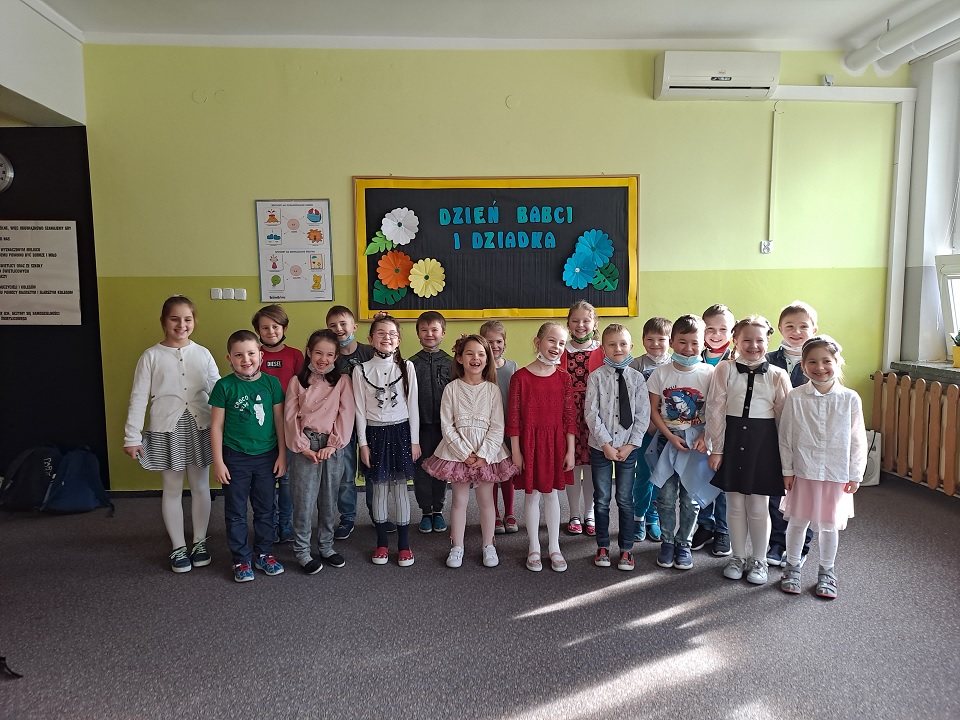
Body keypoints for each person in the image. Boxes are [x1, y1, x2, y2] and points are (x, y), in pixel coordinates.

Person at [124, 295, 220, 573]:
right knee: (172, 488)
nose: (181, 324)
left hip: (200, 427)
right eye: (174, 319)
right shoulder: (151, 356)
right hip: (167, 429)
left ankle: (199, 542)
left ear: (194, 321)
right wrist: (132, 436)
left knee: (201, 486)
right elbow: (138, 397)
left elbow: (218, 392)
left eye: (187, 319)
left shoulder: (203, 354)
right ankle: (178, 546)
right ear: (164, 321)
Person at [778, 335, 866, 599]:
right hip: (804, 471)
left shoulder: (850, 399)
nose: (820, 367)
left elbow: (857, 439)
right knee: (798, 522)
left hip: (835, 473)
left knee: (829, 525)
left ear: (837, 362)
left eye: (826, 361)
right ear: (803, 365)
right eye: (812, 362)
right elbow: (786, 436)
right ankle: (792, 567)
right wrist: (787, 470)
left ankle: (827, 572)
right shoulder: (796, 397)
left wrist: (855, 474)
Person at [705, 316, 790, 585]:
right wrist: (717, 449)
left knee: (758, 505)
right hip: (732, 441)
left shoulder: (778, 375)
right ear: (735, 341)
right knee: (734, 504)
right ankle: (738, 557)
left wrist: (785, 460)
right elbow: (715, 409)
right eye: (747, 340)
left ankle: (759, 559)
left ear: (768, 341)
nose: (753, 345)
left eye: (759, 340)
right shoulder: (725, 369)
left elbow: (784, 420)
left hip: (763, 445)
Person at [423, 335, 518, 568]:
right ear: (459, 358)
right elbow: (447, 425)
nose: (476, 358)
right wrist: (464, 453)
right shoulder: (452, 389)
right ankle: (457, 546)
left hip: (488, 454)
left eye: (481, 354)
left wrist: (484, 455)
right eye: (470, 353)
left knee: (486, 501)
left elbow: (497, 426)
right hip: (458, 453)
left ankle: (488, 545)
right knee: (459, 500)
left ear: (487, 359)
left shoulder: (492, 390)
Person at [210, 330, 287, 583]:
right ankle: (241, 559)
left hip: (267, 456)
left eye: (251, 353)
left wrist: (282, 455)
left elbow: (279, 421)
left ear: (261, 355)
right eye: (239, 355)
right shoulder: (224, 386)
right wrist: (219, 461)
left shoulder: (271, 384)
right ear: (229, 358)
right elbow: (216, 427)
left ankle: (264, 554)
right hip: (235, 458)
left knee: (266, 508)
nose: (246, 360)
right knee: (236, 511)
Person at [646, 314, 716, 571]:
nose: (688, 348)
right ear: (672, 342)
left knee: (690, 499)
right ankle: (667, 542)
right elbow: (653, 410)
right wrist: (669, 435)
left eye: (695, 343)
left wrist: (704, 436)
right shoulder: (661, 373)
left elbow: (715, 410)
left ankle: (683, 543)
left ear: (703, 343)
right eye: (682, 342)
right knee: (665, 497)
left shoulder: (710, 373)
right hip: (667, 440)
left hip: (697, 444)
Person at [284, 329, 356, 574]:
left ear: (336, 357)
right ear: (309, 352)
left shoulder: (342, 381)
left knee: (328, 499)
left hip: (332, 447)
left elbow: (346, 414)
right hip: (305, 445)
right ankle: (302, 551)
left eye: (329, 355)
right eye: (318, 353)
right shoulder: (297, 382)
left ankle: (326, 546)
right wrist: (303, 447)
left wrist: (333, 445)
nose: (323, 359)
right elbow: (290, 418)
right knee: (303, 500)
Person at [506, 322, 576, 573]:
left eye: (561, 343)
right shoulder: (520, 377)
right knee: (532, 494)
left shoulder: (564, 378)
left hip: (556, 444)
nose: (556, 347)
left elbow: (569, 417)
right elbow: (514, 418)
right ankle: (534, 547)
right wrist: (516, 451)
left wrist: (570, 450)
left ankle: (554, 547)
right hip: (530, 444)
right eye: (551, 340)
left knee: (552, 494)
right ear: (538, 342)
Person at [353, 314, 420, 567]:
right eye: (380, 333)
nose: (386, 337)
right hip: (375, 434)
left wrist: (414, 441)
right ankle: (381, 542)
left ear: (399, 340)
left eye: (392, 333)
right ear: (370, 339)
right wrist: (363, 444)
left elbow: (413, 406)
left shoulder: (407, 367)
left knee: (401, 489)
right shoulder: (360, 370)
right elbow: (359, 410)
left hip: (401, 433)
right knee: (379, 490)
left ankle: (404, 545)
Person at [585, 324, 651, 571]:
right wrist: (606, 444)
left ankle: (626, 549)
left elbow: (643, 415)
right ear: (603, 348)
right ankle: (602, 546)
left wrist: (630, 445)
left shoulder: (637, 379)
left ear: (631, 346)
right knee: (602, 498)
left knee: (625, 498)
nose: (618, 348)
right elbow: (591, 414)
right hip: (600, 447)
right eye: (612, 344)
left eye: (623, 344)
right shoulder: (596, 377)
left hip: (628, 447)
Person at [764, 300, 819, 566]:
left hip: (807, 439)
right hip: (773, 437)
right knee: (777, 491)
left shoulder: (819, 360)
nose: (796, 332)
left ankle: (802, 544)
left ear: (814, 329)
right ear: (780, 329)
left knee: (804, 492)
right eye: (790, 326)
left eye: (803, 326)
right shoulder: (767, 359)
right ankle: (777, 542)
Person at [325, 305, 379, 539]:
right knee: (345, 474)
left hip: (371, 420)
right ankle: (347, 518)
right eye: (332, 325)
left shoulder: (369, 351)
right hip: (342, 422)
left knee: (373, 469)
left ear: (354, 326)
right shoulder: (329, 356)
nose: (338, 329)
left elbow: (389, 363)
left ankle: (378, 515)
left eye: (343, 324)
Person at [252, 304, 304, 544]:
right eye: (265, 327)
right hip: (261, 426)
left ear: (284, 328)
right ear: (258, 331)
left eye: (275, 326)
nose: (270, 331)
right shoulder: (254, 355)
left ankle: (285, 522)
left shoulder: (295, 355)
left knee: (286, 479)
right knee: (264, 478)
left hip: (289, 424)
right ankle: (269, 523)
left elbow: (304, 388)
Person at [692, 303, 736, 557]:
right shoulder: (693, 355)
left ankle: (723, 529)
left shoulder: (736, 360)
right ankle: (704, 525)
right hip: (697, 431)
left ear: (732, 331)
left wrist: (710, 433)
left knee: (723, 480)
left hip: (727, 431)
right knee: (702, 478)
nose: (716, 334)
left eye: (723, 329)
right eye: (710, 329)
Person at [561, 300, 604, 536]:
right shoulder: (562, 350)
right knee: (572, 464)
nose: (580, 325)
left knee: (591, 465)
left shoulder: (602, 351)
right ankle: (574, 513)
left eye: (586, 320)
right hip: (568, 414)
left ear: (594, 323)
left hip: (594, 413)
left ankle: (590, 513)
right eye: (575, 321)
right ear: (568, 323)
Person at [629, 316, 672, 543]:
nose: (655, 344)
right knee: (644, 474)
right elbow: (630, 399)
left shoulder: (674, 364)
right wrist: (646, 424)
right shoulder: (636, 365)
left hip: (667, 431)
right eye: (650, 339)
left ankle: (652, 517)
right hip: (644, 430)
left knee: (661, 475)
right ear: (643, 340)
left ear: (670, 340)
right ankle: (638, 516)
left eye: (661, 339)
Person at [410, 311, 452, 534]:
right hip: (420, 427)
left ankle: (438, 510)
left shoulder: (451, 363)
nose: (429, 334)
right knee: (422, 470)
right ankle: (426, 511)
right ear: (418, 333)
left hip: (444, 427)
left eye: (434, 330)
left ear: (443, 333)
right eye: (424, 330)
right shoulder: (411, 364)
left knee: (441, 469)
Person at [481, 320, 519, 535]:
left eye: (498, 341)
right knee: (491, 473)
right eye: (489, 342)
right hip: (487, 430)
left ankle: (510, 512)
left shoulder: (512, 367)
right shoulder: (480, 367)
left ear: (505, 343)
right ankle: (494, 513)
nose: (494, 346)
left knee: (508, 472)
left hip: (508, 428)